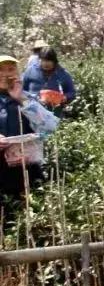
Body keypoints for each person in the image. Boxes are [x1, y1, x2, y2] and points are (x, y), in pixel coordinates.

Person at [0, 54, 59, 225]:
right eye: (1, 70)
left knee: (30, 222)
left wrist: (20, 97)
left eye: (11, 69)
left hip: (27, 171)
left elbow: (50, 126)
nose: (6, 74)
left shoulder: (27, 99)